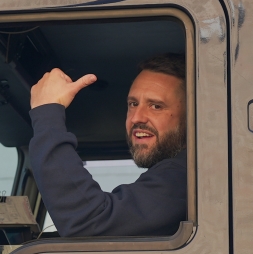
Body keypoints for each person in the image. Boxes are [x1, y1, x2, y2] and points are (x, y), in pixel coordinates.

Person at [27, 54, 187, 237]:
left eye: (156, 106)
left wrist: (46, 113)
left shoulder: (185, 175)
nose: (136, 118)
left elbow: (89, 223)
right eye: (133, 104)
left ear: (191, 116)